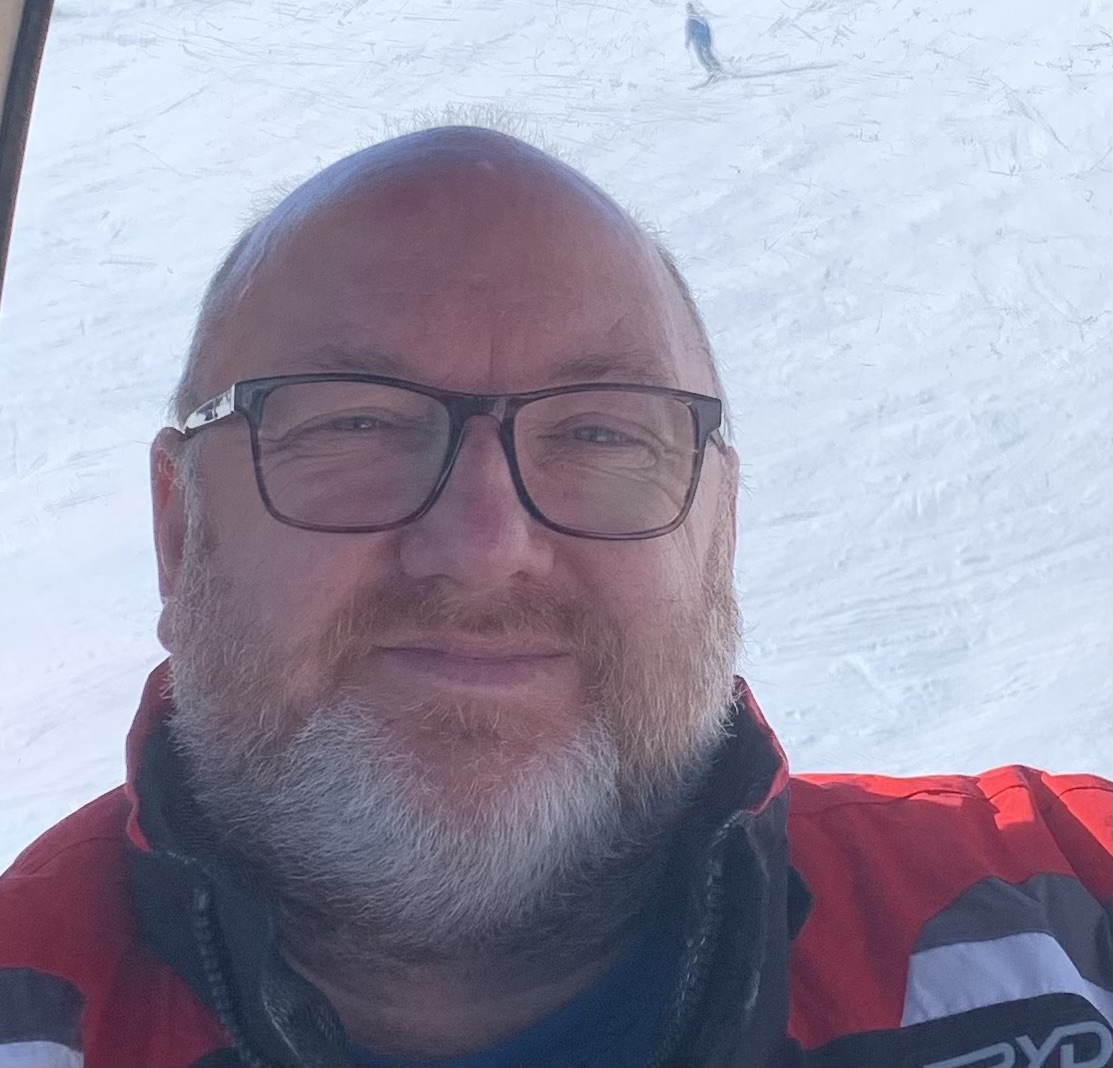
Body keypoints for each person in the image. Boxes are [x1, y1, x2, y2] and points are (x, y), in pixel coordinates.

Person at [0, 126, 1109, 1068]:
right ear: (179, 532)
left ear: (716, 534)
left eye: (597, 433)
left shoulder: (1065, 914)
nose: (483, 548)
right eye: (354, 424)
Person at [685, 3, 722, 78]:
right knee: (706, 55)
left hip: (698, 41)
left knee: (702, 57)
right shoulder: (700, 17)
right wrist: (709, 40)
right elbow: (707, 29)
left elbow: (689, 32)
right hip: (703, 40)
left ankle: (712, 71)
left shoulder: (691, 19)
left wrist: (687, 41)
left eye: (689, 8)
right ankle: (716, 69)